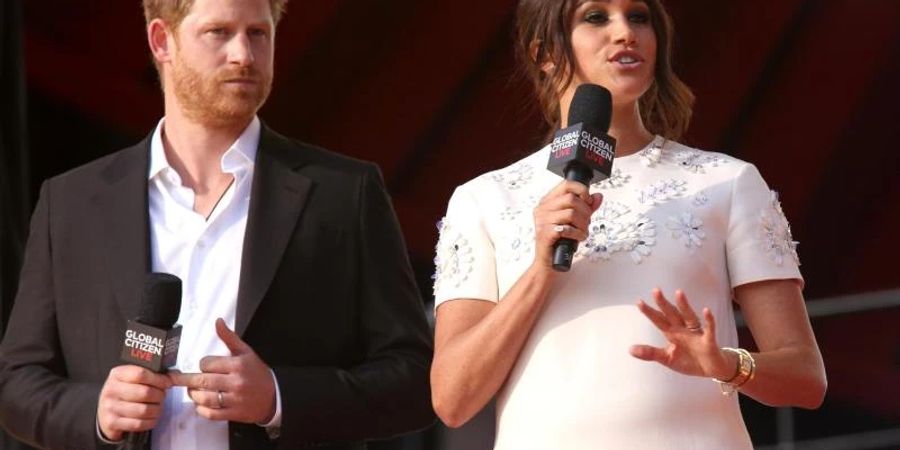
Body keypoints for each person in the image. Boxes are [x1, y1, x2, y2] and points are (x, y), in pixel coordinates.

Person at [0, 0, 434, 448]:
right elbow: (17, 383)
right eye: (219, 33)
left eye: (258, 34)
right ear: (161, 40)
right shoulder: (72, 203)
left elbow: (416, 378)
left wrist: (279, 397)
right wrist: (98, 412)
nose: (243, 55)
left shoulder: (345, 194)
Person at [430, 0, 826, 448]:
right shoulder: (484, 198)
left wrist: (724, 363)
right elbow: (453, 400)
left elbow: (806, 379)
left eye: (639, 17)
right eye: (596, 17)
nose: (625, 33)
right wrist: (540, 268)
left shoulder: (727, 182)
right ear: (545, 53)